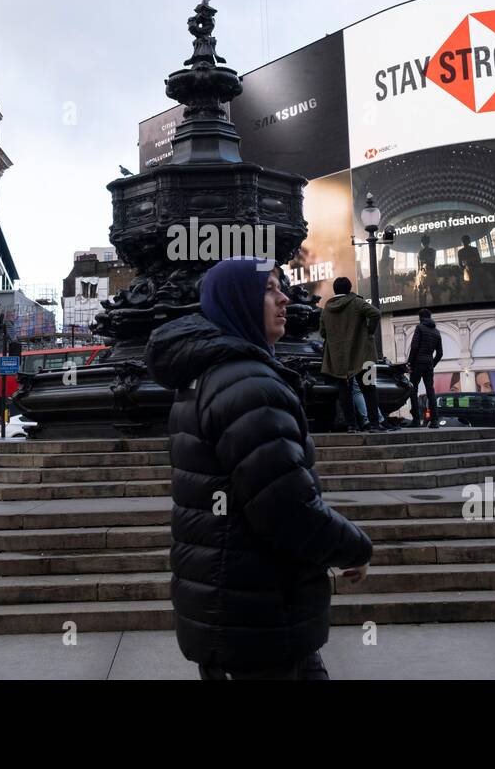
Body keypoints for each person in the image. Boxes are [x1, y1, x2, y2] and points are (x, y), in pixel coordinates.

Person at [145, 258, 373, 680]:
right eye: (269, 288)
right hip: (259, 617)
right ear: (239, 301)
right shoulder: (249, 385)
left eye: (281, 286)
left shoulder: (205, 375)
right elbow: (285, 506)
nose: (284, 297)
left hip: (235, 608)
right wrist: (352, 547)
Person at [319, 276, 382, 433]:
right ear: (349, 288)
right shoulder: (357, 302)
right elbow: (375, 313)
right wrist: (369, 332)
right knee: (370, 388)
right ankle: (375, 424)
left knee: (344, 393)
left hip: (338, 358)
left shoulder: (327, 308)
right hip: (365, 355)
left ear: (335, 290)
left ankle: (351, 425)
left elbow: (322, 332)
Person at [406, 309, 442, 427]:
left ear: (420, 317)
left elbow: (414, 347)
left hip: (418, 363)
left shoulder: (420, 328)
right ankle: (435, 421)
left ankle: (416, 420)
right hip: (429, 364)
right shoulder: (436, 332)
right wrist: (432, 363)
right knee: (430, 391)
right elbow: (440, 353)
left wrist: (410, 363)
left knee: (413, 389)